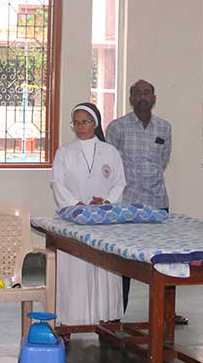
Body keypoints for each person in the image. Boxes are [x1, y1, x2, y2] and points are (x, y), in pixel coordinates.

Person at [106, 79, 187, 323]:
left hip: (157, 201)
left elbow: (163, 160)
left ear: (154, 98)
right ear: (131, 98)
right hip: (126, 202)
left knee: (165, 259)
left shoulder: (164, 127)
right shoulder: (117, 127)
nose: (142, 97)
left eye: (147, 93)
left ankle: (166, 313)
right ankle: (115, 315)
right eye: (137, 93)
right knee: (122, 262)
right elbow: (110, 164)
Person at [51, 103, 126, 329]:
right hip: (74, 221)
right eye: (76, 123)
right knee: (74, 272)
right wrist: (77, 205)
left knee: (104, 270)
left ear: (95, 123)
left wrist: (107, 202)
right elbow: (58, 184)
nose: (80, 127)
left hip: (104, 221)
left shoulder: (110, 152)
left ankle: (106, 320)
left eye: (85, 122)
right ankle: (70, 322)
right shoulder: (64, 153)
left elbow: (119, 182)